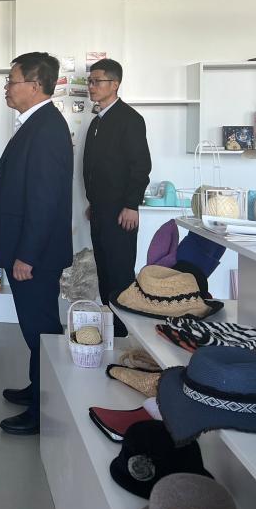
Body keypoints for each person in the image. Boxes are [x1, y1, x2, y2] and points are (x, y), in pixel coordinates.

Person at [0, 52, 73, 435]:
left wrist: (27, 255)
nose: (6, 88)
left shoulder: (47, 128)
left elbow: (44, 200)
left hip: (34, 255)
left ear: (34, 86)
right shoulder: (36, 123)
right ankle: (37, 387)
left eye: (12, 80)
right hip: (28, 249)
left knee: (41, 330)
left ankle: (45, 409)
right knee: (34, 328)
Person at [83, 58, 152, 338]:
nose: (91, 86)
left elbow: (140, 166)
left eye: (96, 81)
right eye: (89, 81)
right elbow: (98, 167)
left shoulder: (129, 119)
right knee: (104, 271)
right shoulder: (97, 121)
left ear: (115, 84)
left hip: (122, 212)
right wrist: (93, 202)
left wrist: (131, 204)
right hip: (100, 210)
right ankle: (111, 330)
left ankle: (126, 335)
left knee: (120, 273)